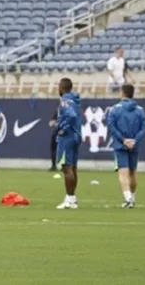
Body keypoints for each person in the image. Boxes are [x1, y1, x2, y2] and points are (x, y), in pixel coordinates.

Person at [108, 84, 145, 208]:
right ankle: (132, 197)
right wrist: (135, 140)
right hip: (135, 145)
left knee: (123, 172)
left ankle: (128, 198)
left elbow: (112, 127)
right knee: (133, 171)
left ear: (122, 93)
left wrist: (123, 140)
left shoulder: (114, 109)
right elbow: (143, 128)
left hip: (120, 144)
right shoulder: (140, 110)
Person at [54, 78, 82, 210]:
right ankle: (72, 198)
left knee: (66, 167)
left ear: (61, 87)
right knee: (73, 167)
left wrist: (62, 128)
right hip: (75, 136)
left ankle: (70, 200)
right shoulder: (74, 100)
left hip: (67, 136)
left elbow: (72, 116)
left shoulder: (65, 101)